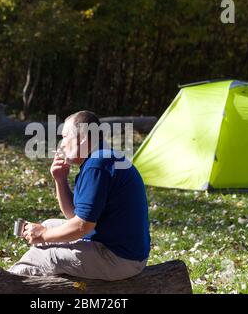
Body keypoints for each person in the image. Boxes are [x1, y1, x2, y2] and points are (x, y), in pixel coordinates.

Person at [8, 111, 151, 281]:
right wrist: (60, 180)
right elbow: (74, 216)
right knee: (49, 224)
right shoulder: (100, 158)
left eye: (65, 137)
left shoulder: (97, 165)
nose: (61, 145)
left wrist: (44, 235)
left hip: (119, 259)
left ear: (82, 138)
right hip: (124, 252)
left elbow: (82, 226)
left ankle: (1, 284)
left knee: (44, 256)